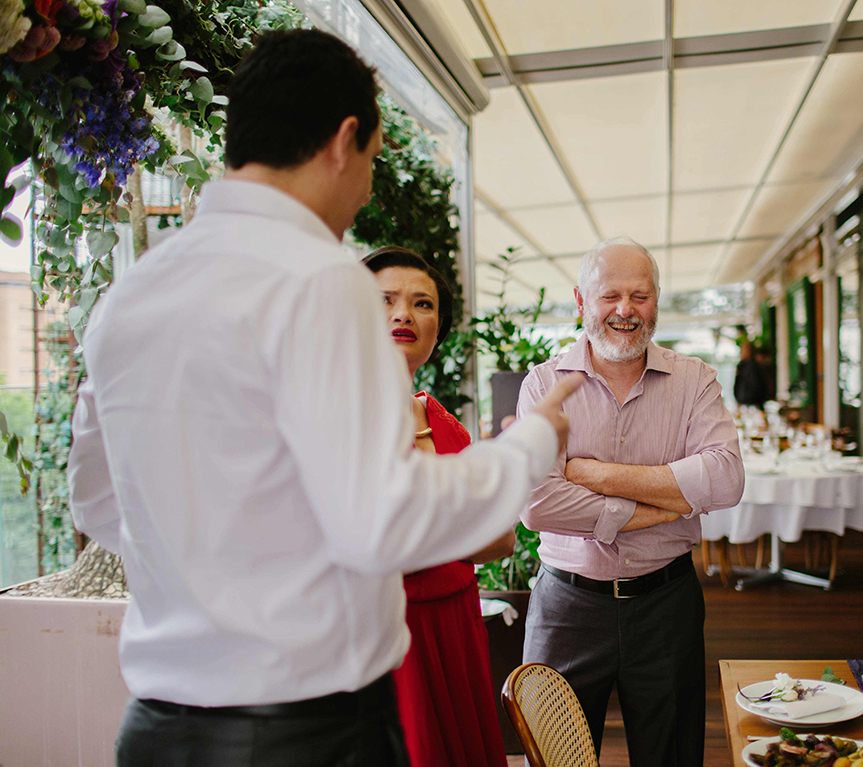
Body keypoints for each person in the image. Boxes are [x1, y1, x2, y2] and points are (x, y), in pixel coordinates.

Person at [66, 29, 582, 767]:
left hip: (155, 731)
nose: (368, 185)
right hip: (300, 732)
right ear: (345, 141)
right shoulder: (320, 277)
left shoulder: (128, 296)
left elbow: (98, 504)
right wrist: (533, 441)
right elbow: (388, 517)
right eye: (372, 160)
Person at [516, 235, 745, 765]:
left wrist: (595, 474)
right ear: (580, 301)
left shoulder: (695, 380)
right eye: (609, 295)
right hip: (566, 609)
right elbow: (537, 504)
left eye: (640, 296)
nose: (625, 310)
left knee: (672, 756)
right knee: (554, 759)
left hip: (667, 605)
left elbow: (727, 478)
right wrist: (660, 507)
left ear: (657, 302)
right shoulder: (544, 384)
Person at [363, 246, 510, 767]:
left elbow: (503, 537)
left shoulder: (443, 422)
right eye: (385, 300)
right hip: (388, 637)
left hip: (457, 625)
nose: (404, 313)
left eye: (422, 303)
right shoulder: (340, 420)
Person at [733, 340, 768, 409]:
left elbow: (754, 385)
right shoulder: (742, 365)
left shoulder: (752, 367)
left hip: (750, 403)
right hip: (745, 402)